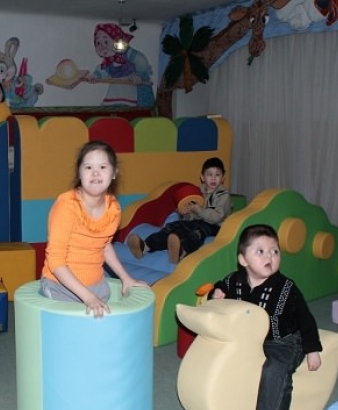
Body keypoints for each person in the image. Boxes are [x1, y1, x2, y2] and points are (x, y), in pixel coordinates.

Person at [209, 224, 323, 410]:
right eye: (260, 251)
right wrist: (216, 292)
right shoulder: (235, 280)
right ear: (243, 260)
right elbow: (221, 285)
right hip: (249, 340)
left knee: (275, 369)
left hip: (283, 341)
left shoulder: (286, 287)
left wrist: (312, 349)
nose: (269, 256)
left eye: (275, 251)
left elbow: (306, 318)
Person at [40, 140, 147, 318]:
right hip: (60, 287)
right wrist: (88, 298)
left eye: (103, 167)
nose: (95, 173)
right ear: (79, 173)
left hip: (97, 285)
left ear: (114, 173)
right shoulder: (66, 207)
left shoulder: (113, 208)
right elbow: (56, 262)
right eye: (88, 167)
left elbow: (104, 245)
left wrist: (126, 278)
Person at [127, 157, 231, 263]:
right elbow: (193, 216)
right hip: (197, 221)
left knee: (199, 232)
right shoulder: (197, 192)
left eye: (217, 175)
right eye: (209, 174)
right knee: (175, 226)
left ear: (223, 178)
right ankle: (145, 246)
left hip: (214, 226)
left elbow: (217, 217)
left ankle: (182, 251)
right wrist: (185, 214)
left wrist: (199, 210)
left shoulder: (223, 195)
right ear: (202, 177)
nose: (213, 178)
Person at [85, 23, 155, 107]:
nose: (102, 46)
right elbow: (102, 70)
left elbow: (141, 61)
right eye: (98, 43)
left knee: (133, 105)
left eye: (106, 41)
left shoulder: (128, 53)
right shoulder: (108, 62)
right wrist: (95, 76)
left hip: (133, 86)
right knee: (112, 101)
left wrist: (138, 75)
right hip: (117, 87)